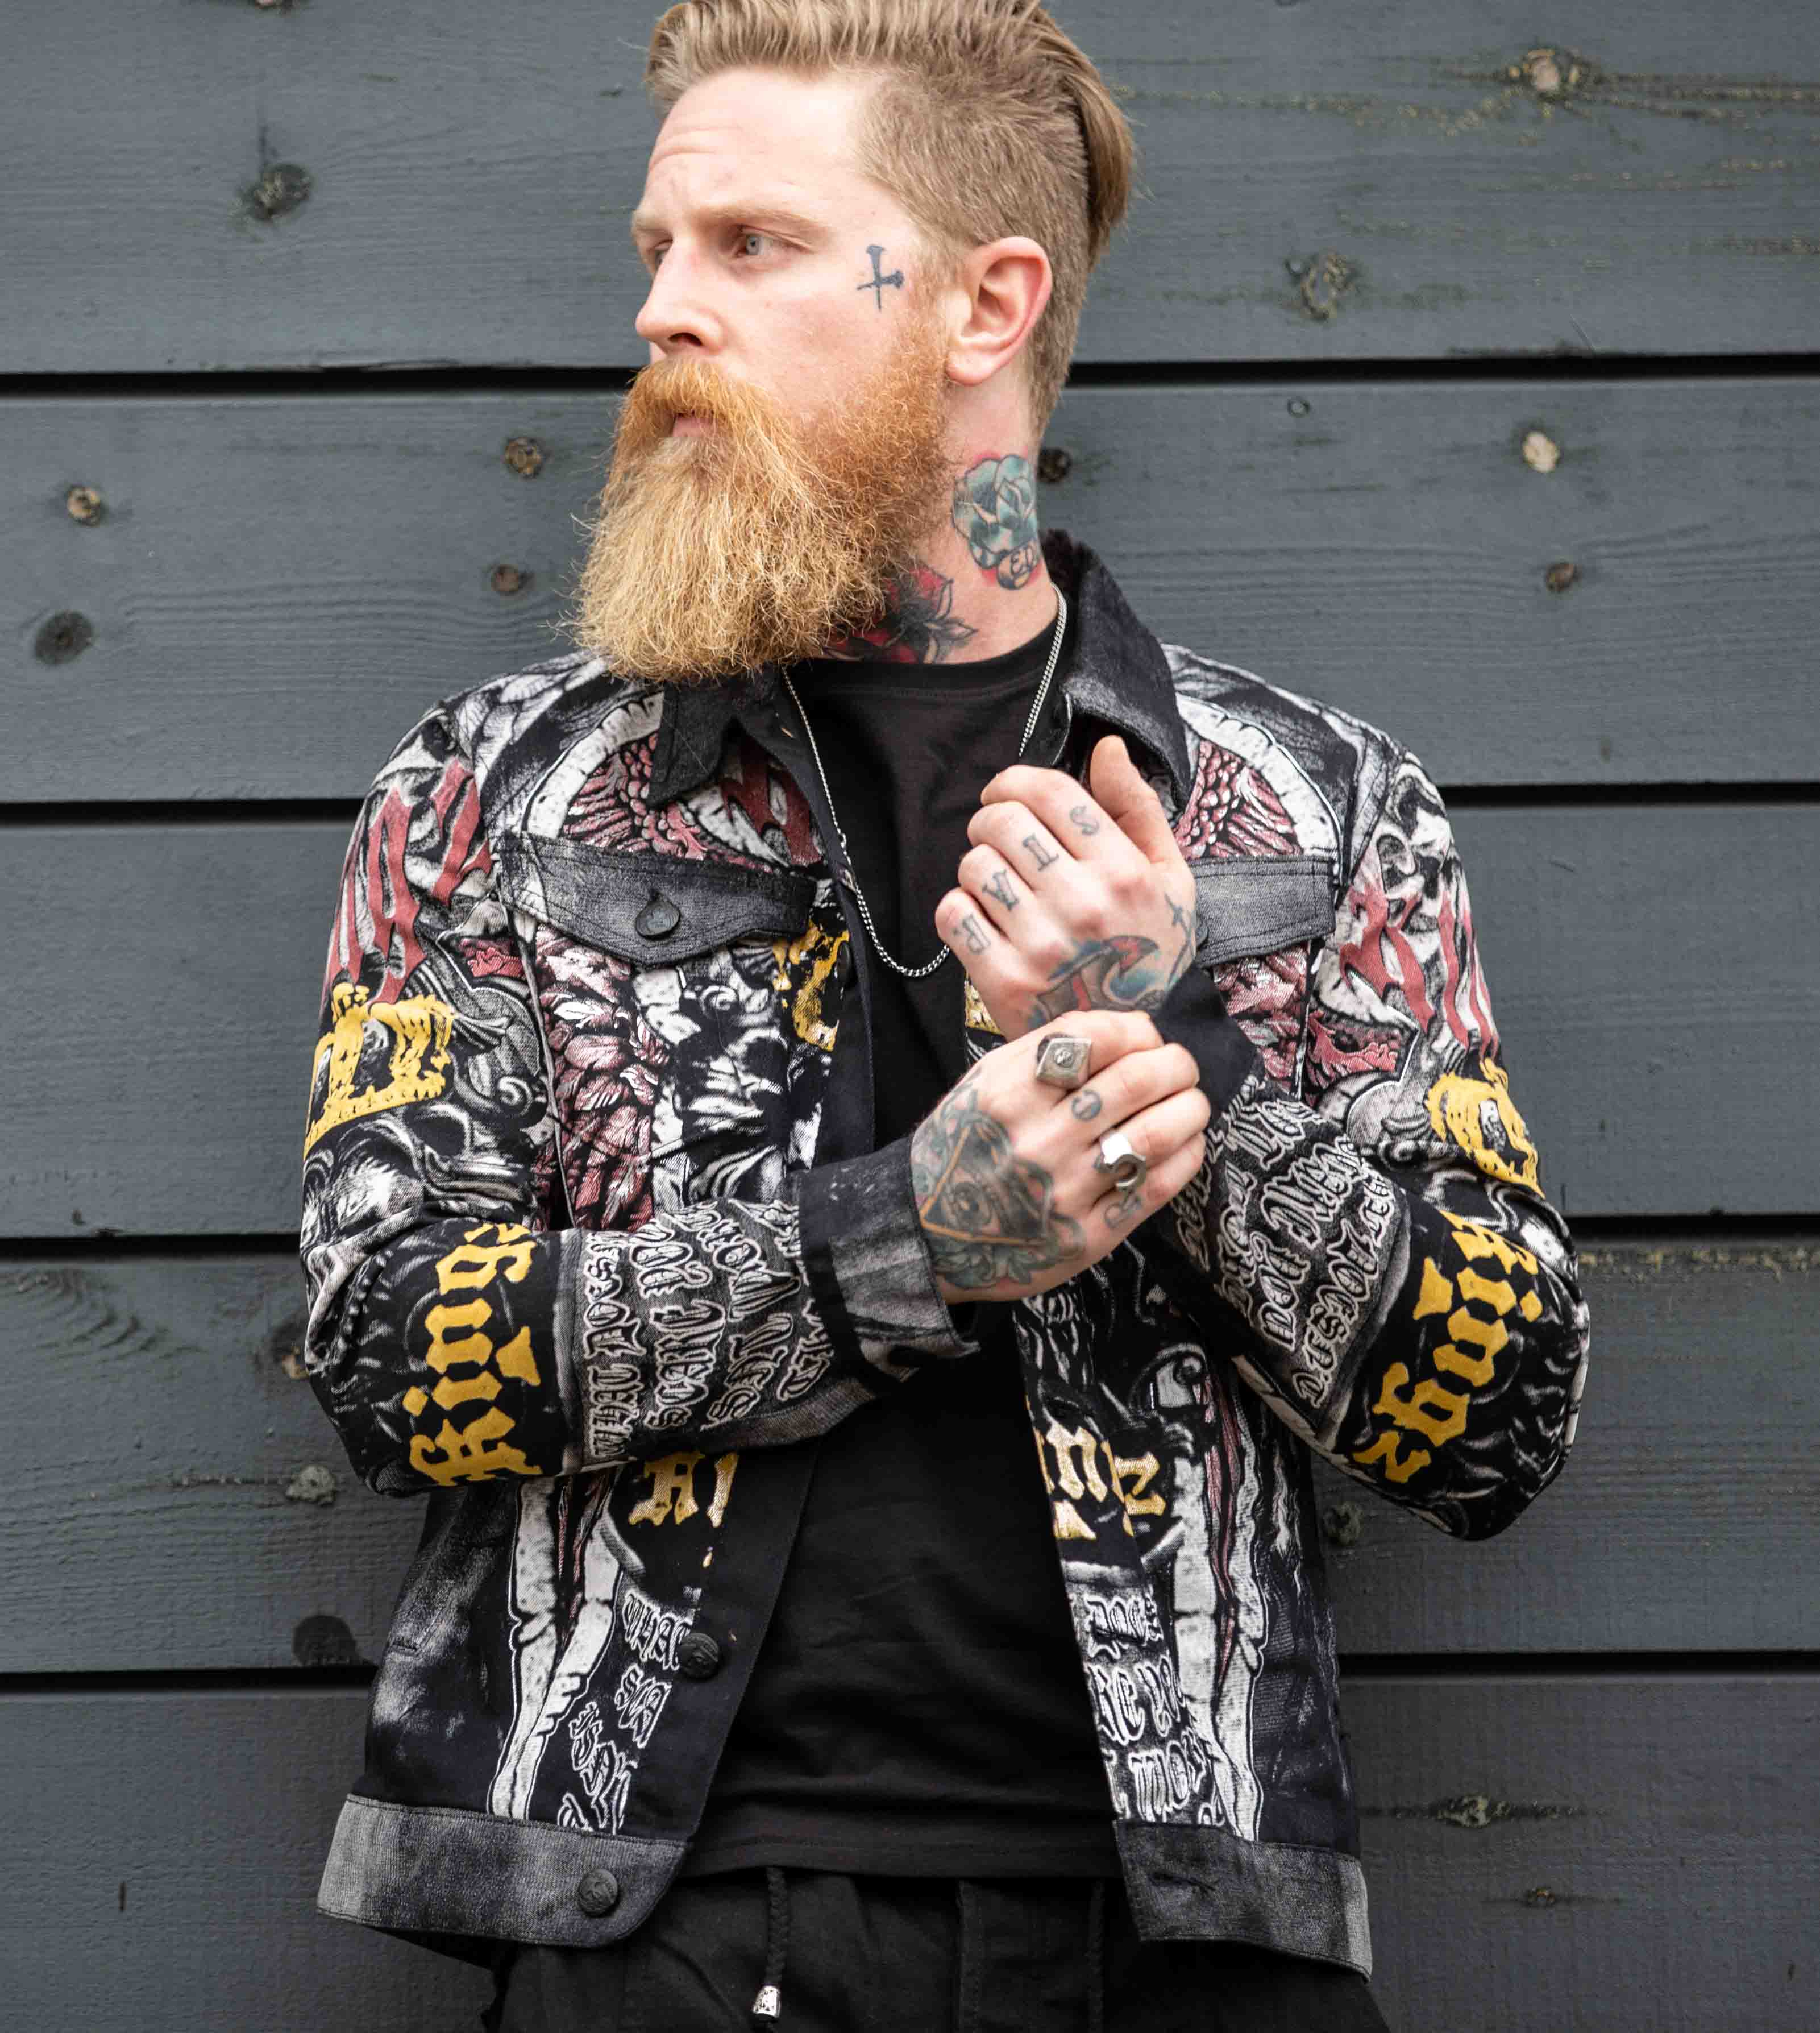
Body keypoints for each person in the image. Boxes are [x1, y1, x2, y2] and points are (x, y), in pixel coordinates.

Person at [297, 5, 1590, 2027]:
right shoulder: (491, 791)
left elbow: (1498, 1418)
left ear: (988, 303)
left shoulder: (1322, 809)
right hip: (667, 1934)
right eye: (659, 246)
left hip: (1186, 1947)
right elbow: (385, 1354)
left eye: (754, 244)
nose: (661, 309)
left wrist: (1169, 1061)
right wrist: (900, 1243)